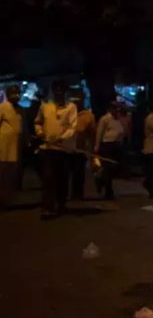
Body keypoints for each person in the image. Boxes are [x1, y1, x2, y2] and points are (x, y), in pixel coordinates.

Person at [34, 81, 78, 219]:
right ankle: (47, 208)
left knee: (62, 178)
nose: (58, 93)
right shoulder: (45, 106)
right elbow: (38, 122)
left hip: (63, 149)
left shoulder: (71, 107)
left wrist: (62, 138)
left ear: (65, 92)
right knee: (48, 178)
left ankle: (61, 205)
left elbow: (73, 127)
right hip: (47, 148)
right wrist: (39, 132)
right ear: (53, 92)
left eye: (61, 90)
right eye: (56, 90)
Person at [94, 101, 125, 200]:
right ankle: (108, 191)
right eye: (115, 108)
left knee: (115, 168)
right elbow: (99, 133)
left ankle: (101, 180)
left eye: (118, 108)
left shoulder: (118, 120)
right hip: (107, 145)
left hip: (117, 146)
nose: (117, 110)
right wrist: (97, 146)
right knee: (108, 168)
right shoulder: (105, 119)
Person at [0, 85, 23, 207]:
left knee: (10, 176)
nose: (16, 96)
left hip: (15, 146)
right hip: (3, 146)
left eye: (18, 94)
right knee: (2, 174)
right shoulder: (3, 107)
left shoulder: (19, 109)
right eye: (14, 94)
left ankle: (6, 199)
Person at [71, 90, 95, 200]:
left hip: (80, 150)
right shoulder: (65, 113)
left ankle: (77, 195)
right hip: (64, 149)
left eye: (78, 100)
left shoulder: (88, 116)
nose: (75, 102)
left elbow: (91, 134)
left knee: (78, 174)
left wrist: (92, 152)